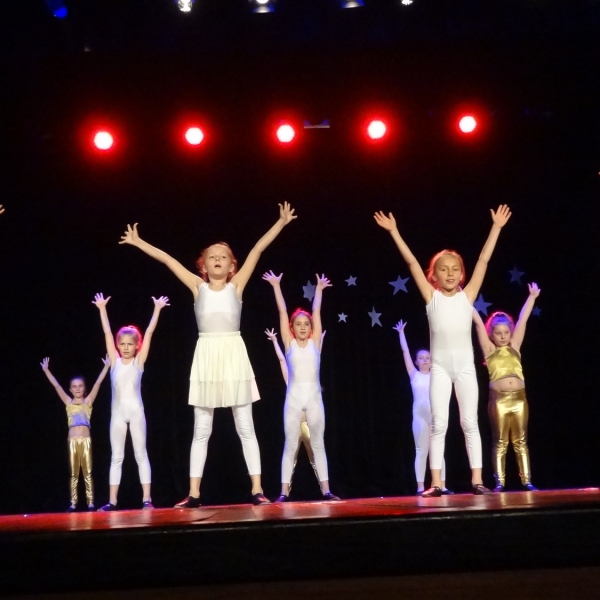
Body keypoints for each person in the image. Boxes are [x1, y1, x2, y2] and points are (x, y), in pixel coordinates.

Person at [119, 203, 297, 507]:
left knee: (246, 426)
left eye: (223, 256)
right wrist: (138, 242)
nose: (217, 259)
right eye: (212, 256)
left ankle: (257, 488)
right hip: (206, 355)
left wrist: (280, 223)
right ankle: (194, 493)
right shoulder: (197, 287)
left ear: (232, 266)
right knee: (201, 429)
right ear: (203, 265)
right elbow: (168, 260)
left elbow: (257, 249)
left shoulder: (236, 286)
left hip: (233, 354)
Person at [374, 205, 511, 497]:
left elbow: (484, 260)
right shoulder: (431, 297)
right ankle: (435, 482)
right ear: (434, 275)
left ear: (461, 274)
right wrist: (394, 231)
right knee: (439, 423)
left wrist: (496, 228)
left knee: (469, 422)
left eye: (455, 269)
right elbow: (411, 262)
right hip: (439, 369)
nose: (450, 273)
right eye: (443, 269)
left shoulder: (467, 296)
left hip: (465, 368)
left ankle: (477, 480)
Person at [263, 271, 339, 502]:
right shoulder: (289, 344)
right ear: (292, 328)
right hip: (294, 399)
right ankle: (284, 492)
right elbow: (282, 311)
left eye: (306, 324)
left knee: (318, 444)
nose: (303, 327)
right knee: (290, 445)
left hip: (314, 399)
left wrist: (319, 290)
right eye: (298, 324)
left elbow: (316, 311)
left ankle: (326, 490)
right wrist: (276, 286)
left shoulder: (315, 343)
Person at [92, 293, 170, 510]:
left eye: (130, 344)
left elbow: (150, 332)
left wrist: (157, 309)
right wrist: (102, 309)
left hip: (136, 412)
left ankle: (147, 499)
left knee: (140, 454)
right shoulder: (115, 362)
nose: (126, 347)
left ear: (137, 346)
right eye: (122, 344)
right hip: (117, 414)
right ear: (118, 345)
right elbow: (107, 332)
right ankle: (112, 501)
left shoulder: (139, 362)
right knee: (116, 457)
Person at [472, 283, 541, 492]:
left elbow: (523, 320)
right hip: (499, 399)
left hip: (520, 398)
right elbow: (478, 323)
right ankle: (499, 482)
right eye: (498, 333)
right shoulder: (489, 350)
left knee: (521, 441)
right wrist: (467, 302)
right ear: (491, 334)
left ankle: (526, 480)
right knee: (501, 441)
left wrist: (532, 297)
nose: (503, 336)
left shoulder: (515, 346)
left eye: (506, 332)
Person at [41, 356, 110, 511]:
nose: (77, 389)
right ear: (70, 389)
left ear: (84, 388)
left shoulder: (88, 401)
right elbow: (57, 386)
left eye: (80, 386)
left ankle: (90, 502)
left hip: (86, 440)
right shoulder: (68, 402)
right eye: (74, 386)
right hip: (72, 441)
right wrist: (46, 370)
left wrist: (106, 367)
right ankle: (73, 503)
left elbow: (98, 383)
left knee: (87, 472)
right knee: (74, 473)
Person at [393, 320, 452, 496]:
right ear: (416, 362)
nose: (425, 360)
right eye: (421, 358)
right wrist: (401, 334)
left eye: (428, 358)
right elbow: (405, 352)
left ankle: (442, 485)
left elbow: (439, 349)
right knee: (421, 451)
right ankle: (420, 486)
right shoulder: (414, 375)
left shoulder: (437, 375)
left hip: (435, 415)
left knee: (438, 451)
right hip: (419, 416)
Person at [265, 327, 323, 491]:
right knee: (291, 457)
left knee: (316, 457)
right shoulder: (290, 381)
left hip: (309, 425)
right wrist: (275, 341)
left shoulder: (312, 381)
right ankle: (285, 491)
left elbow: (316, 359)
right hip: (296, 425)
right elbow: (282, 360)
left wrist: (320, 342)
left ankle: (325, 488)